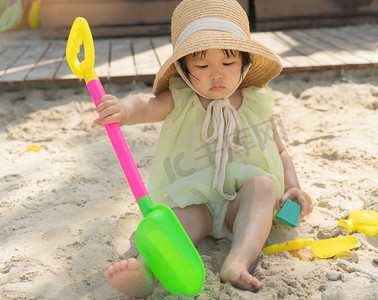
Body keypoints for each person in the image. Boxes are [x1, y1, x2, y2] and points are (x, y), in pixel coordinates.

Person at [98, 0, 313, 297]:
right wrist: (124, 109)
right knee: (172, 223)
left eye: (228, 63)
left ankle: (238, 260)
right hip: (193, 200)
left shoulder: (255, 102)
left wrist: (293, 186)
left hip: (238, 202)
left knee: (263, 187)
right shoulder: (180, 98)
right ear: (185, 70)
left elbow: (280, 152)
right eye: (201, 65)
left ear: (245, 62)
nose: (217, 75)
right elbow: (145, 107)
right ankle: (145, 270)